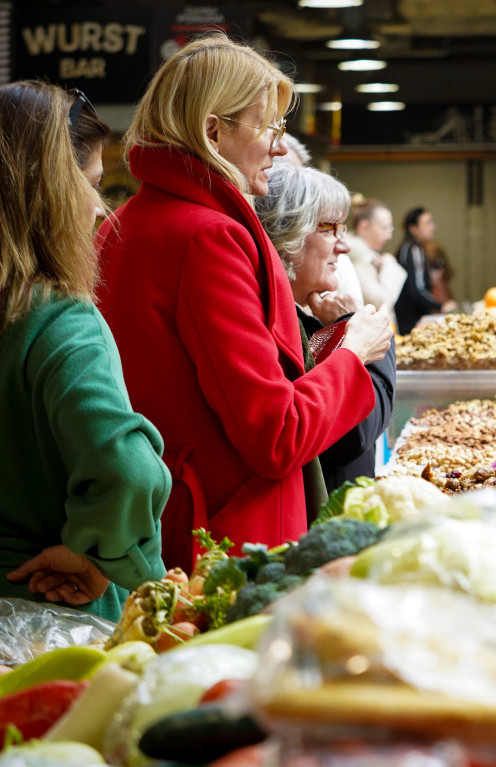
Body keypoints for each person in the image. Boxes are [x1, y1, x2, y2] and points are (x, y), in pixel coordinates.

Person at [96, 34, 392, 570]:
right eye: (270, 127)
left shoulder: (123, 226)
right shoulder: (210, 237)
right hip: (222, 548)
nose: (281, 147)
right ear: (215, 132)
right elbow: (275, 434)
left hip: (160, 529)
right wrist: (354, 353)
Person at [0, 82, 169, 620]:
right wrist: (98, 552)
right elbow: (128, 471)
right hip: (51, 610)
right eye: (92, 184)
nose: (100, 208)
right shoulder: (60, 319)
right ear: (46, 188)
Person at [255, 164, 396, 492]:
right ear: (286, 235)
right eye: (329, 228)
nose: (343, 246)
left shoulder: (297, 316)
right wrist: (355, 327)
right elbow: (356, 432)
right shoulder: (272, 323)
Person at [395, 206, 456, 329]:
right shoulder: (412, 251)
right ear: (413, 228)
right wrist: (440, 306)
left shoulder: (414, 248)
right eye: (428, 223)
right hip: (410, 320)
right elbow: (415, 289)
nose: (432, 227)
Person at [347, 196, 406, 312]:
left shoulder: (370, 257)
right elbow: (381, 303)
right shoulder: (354, 258)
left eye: (390, 229)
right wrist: (389, 265)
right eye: (384, 228)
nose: (389, 236)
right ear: (364, 227)